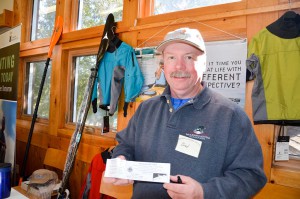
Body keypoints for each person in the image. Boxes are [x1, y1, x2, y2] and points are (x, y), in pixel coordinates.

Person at [103, 27, 267, 199]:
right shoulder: (145, 109)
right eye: (171, 57)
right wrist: (122, 159)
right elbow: (126, 145)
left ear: (204, 64)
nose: (179, 66)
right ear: (163, 65)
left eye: (189, 57)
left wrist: (204, 192)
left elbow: (251, 176)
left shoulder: (231, 116)